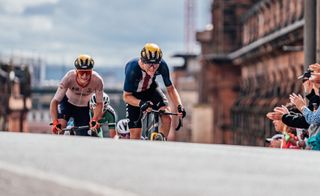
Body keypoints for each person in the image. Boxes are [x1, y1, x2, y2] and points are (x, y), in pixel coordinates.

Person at [123, 43, 186, 140]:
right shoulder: (132, 69)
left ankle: (160, 139)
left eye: (155, 64)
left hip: (151, 89)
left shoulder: (162, 65)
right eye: (149, 64)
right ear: (143, 61)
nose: (153, 68)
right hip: (134, 96)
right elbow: (126, 96)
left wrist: (179, 106)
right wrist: (141, 103)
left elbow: (171, 89)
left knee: (167, 116)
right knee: (135, 136)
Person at [50, 54, 104, 136]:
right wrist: (55, 122)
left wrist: (94, 119)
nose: (84, 76)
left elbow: (99, 103)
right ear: (76, 71)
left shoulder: (98, 80)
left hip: (83, 108)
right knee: (59, 128)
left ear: (92, 71)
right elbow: (54, 101)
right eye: (82, 72)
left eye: (88, 72)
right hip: (67, 104)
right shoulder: (69, 77)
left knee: (84, 135)